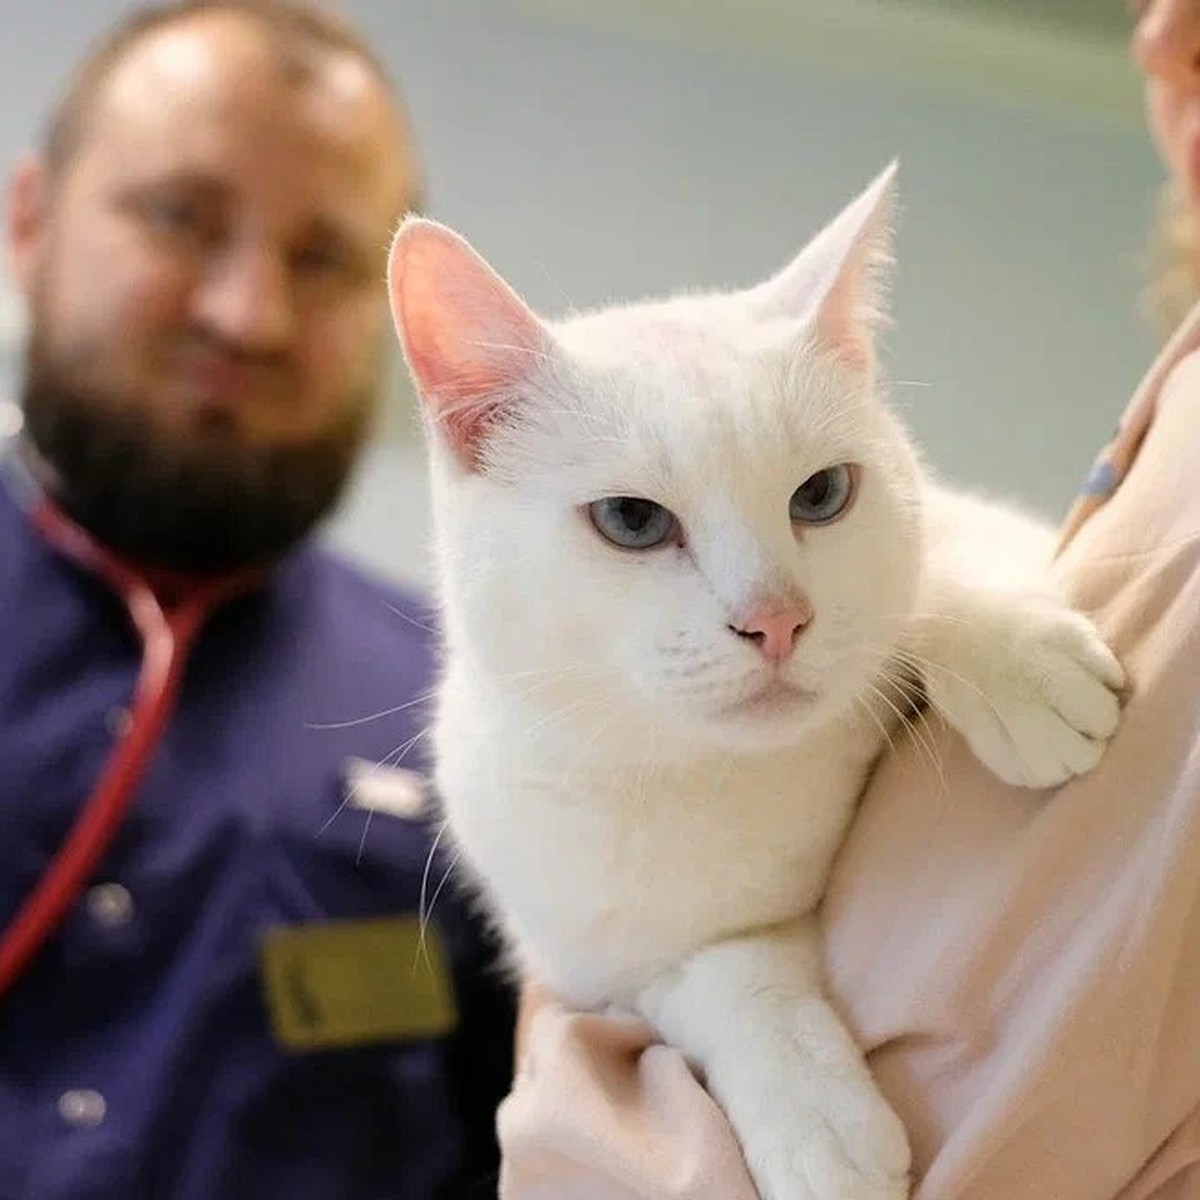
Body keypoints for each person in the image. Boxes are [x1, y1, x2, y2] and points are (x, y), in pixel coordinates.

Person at [497, 2, 1200, 1198]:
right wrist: (736, 995)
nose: (770, 616)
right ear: (469, 431)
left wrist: (963, 620)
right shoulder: (526, 813)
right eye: (634, 522)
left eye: (819, 494)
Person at [0, 2, 515, 1197]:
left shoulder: (482, 707)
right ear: (30, 222)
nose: (247, 314)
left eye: (325, 259)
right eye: (181, 217)